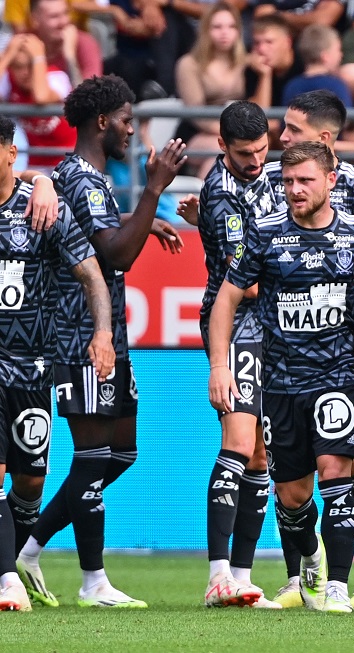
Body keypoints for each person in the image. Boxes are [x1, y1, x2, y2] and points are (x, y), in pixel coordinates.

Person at [208, 141, 354, 613]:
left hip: (338, 375)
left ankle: (337, 585)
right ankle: (311, 555)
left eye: (305, 181)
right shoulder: (264, 232)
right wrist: (219, 366)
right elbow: (226, 298)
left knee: (336, 472)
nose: (295, 189)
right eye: (288, 182)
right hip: (280, 383)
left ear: (331, 181)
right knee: (292, 497)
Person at [15, 74, 186, 609]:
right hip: (82, 336)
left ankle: (27, 547)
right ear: (103, 121)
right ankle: (93, 582)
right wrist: (153, 190)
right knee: (92, 457)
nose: (132, 131)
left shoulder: (89, 180)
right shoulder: (82, 180)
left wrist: (143, 219)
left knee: (122, 452)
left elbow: (103, 236)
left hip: (107, 335)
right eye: (128, 121)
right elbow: (115, 255)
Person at [268, 89, 354, 611]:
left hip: (345, 347)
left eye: (293, 130)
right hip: (287, 350)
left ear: (324, 140)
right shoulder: (278, 183)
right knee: (292, 480)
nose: (283, 137)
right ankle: (298, 576)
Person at [0, 114, 115, 612]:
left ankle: (14, 561)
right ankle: (7, 580)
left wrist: (103, 333)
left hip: (32, 369)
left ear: (10, 152)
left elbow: (92, 276)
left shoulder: (41, 209)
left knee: (30, 481)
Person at [198, 101, 281, 610]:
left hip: (270, 327)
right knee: (239, 440)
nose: (255, 161)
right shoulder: (222, 194)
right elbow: (244, 284)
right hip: (237, 325)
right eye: (244, 154)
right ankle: (216, 575)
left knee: (261, 454)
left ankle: (242, 578)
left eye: (261, 150)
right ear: (222, 146)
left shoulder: (269, 173)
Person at [174, 2, 248, 178]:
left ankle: (207, 194)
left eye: (231, 26)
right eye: (217, 27)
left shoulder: (246, 62)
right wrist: (230, 132)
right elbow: (196, 113)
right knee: (221, 148)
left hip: (235, 131)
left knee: (226, 152)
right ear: (206, 30)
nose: (224, 32)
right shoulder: (189, 64)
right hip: (196, 132)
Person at [0, 33, 76, 174]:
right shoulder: (10, 83)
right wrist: (7, 55)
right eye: (18, 67)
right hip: (35, 161)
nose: (25, 72)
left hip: (67, 158)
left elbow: (41, 97)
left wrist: (38, 56)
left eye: (30, 65)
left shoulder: (57, 77)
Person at [30, 0, 102, 88]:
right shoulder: (27, 43)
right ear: (35, 20)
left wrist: (70, 56)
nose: (64, 21)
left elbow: (89, 93)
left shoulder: (85, 43)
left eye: (66, 13)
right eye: (54, 16)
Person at [282, 24, 352, 107]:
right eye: (338, 50)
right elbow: (346, 113)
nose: (341, 55)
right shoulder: (336, 86)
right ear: (325, 56)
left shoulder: (292, 86)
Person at [246, 14, 305, 111]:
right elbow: (257, 116)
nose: (262, 49)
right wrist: (265, 75)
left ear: (288, 42)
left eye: (269, 42)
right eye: (257, 43)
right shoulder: (253, 67)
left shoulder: (304, 65)